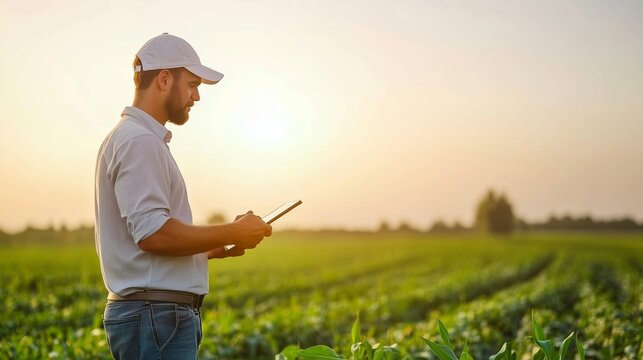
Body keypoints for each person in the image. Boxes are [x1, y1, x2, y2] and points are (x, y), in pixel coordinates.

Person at [94, 33, 272, 359]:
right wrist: (233, 231)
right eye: (192, 84)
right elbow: (153, 235)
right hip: (156, 317)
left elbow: (147, 245)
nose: (197, 96)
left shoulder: (134, 138)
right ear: (164, 79)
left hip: (154, 317)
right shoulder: (140, 141)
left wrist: (217, 247)